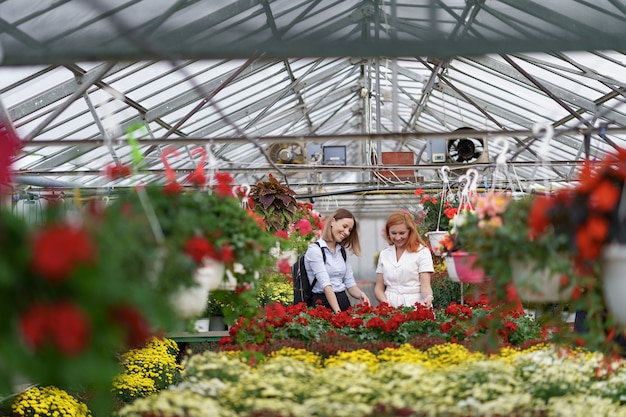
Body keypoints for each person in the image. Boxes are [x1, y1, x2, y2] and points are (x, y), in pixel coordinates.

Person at [304, 208, 370, 313]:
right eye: (345, 226)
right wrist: (338, 312)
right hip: (323, 304)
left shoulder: (343, 252)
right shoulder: (315, 250)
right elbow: (326, 286)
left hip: (343, 301)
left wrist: (360, 294)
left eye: (350, 229)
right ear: (333, 222)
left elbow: (349, 283)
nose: (347, 232)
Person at [374, 211, 435, 308]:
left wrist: (428, 297)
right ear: (388, 232)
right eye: (393, 233)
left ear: (410, 232)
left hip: (415, 305)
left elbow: (425, 285)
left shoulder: (422, 252)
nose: (398, 237)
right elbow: (379, 287)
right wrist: (385, 302)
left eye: (402, 233)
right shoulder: (384, 254)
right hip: (389, 304)